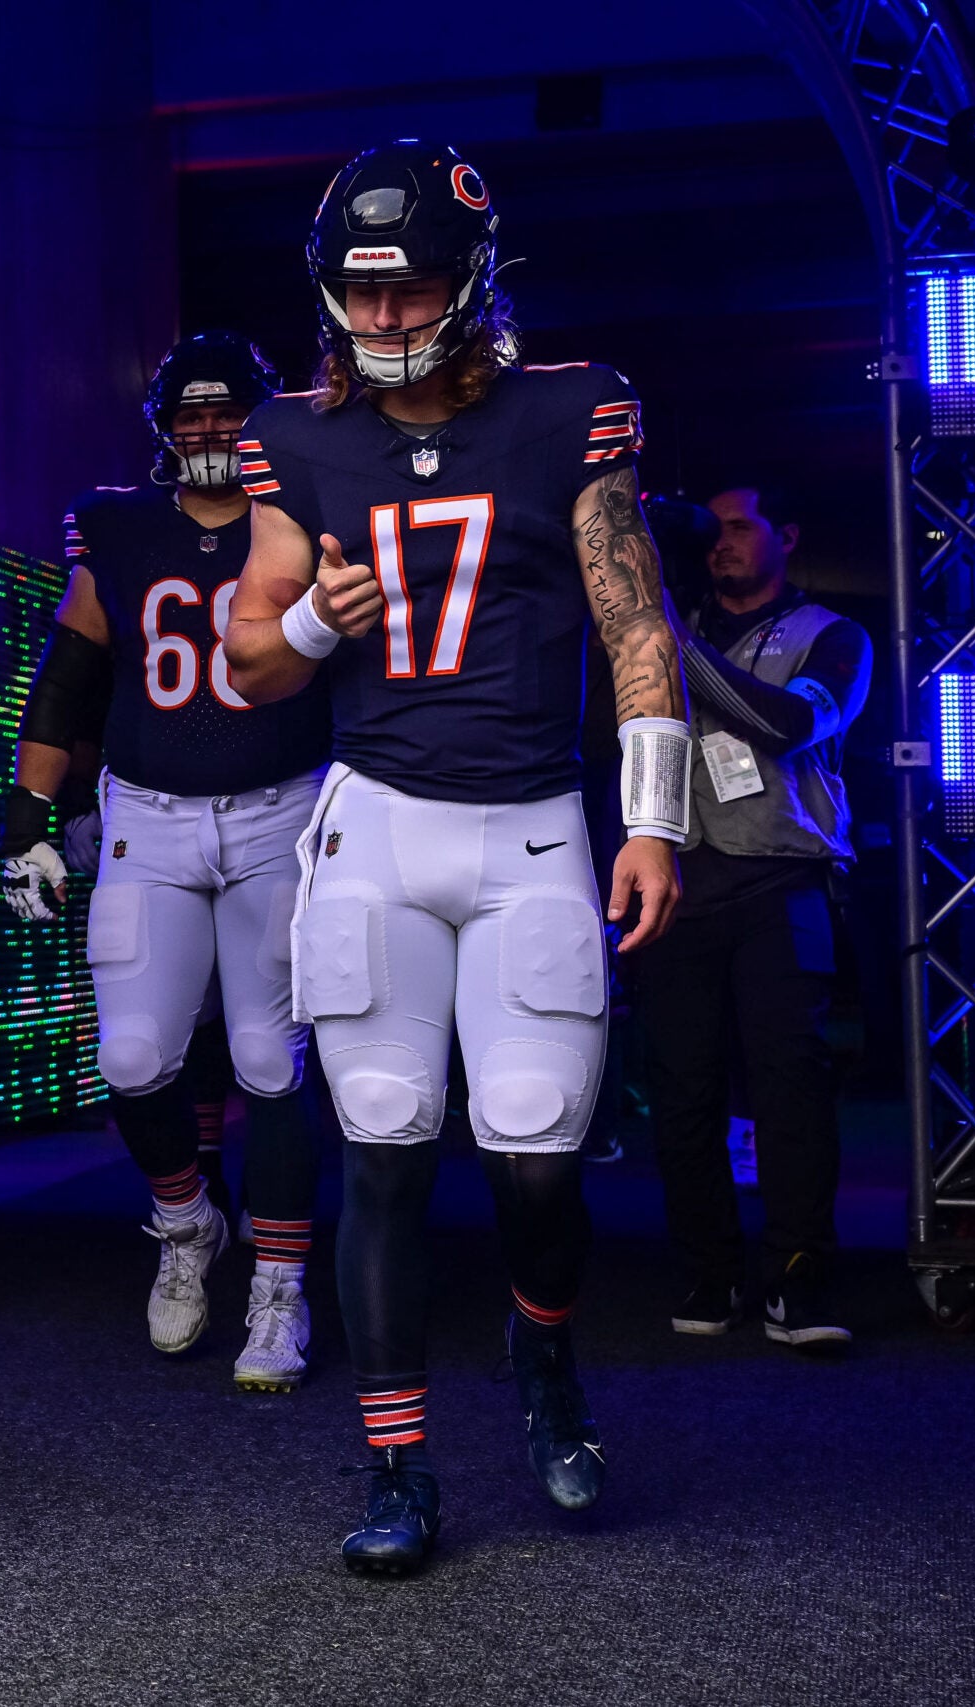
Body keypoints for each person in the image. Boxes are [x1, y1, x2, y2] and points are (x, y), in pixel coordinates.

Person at [225, 142, 688, 1575]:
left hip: (534, 822)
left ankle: (544, 1354)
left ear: (471, 280)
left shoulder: (573, 416)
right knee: (380, 1142)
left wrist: (655, 814)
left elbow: (636, 628)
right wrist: (315, 627)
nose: (378, 319)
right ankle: (397, 1460)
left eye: (406, 286)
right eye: (357, 293)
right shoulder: (296, 440)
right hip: (376, 818)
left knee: (541, 1151)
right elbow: (248, 655)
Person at [0, 332, 333, 1392]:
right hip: (149, 816)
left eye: (224, 409)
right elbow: (70, 680)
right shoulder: (118, 528)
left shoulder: (304, 521)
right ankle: (186, 1222)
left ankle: (281, 1286)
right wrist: (28, 816)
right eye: (187, 413)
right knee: (133, 1058)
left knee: (270, 1060)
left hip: (282, 810)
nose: (206, 430)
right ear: (161, 426)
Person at [639, 481, 872, 1348]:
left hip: (783, 883)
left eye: (741, 526)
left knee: (790, 1090)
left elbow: (782, 725)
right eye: (713, 530)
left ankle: (800, 1277)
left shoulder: (834, 637)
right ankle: (708, 1269)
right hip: (681, 887)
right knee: (681, 1091)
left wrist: (673, 640)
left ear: (788, 534)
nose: (722, 541)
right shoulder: (662, 635)